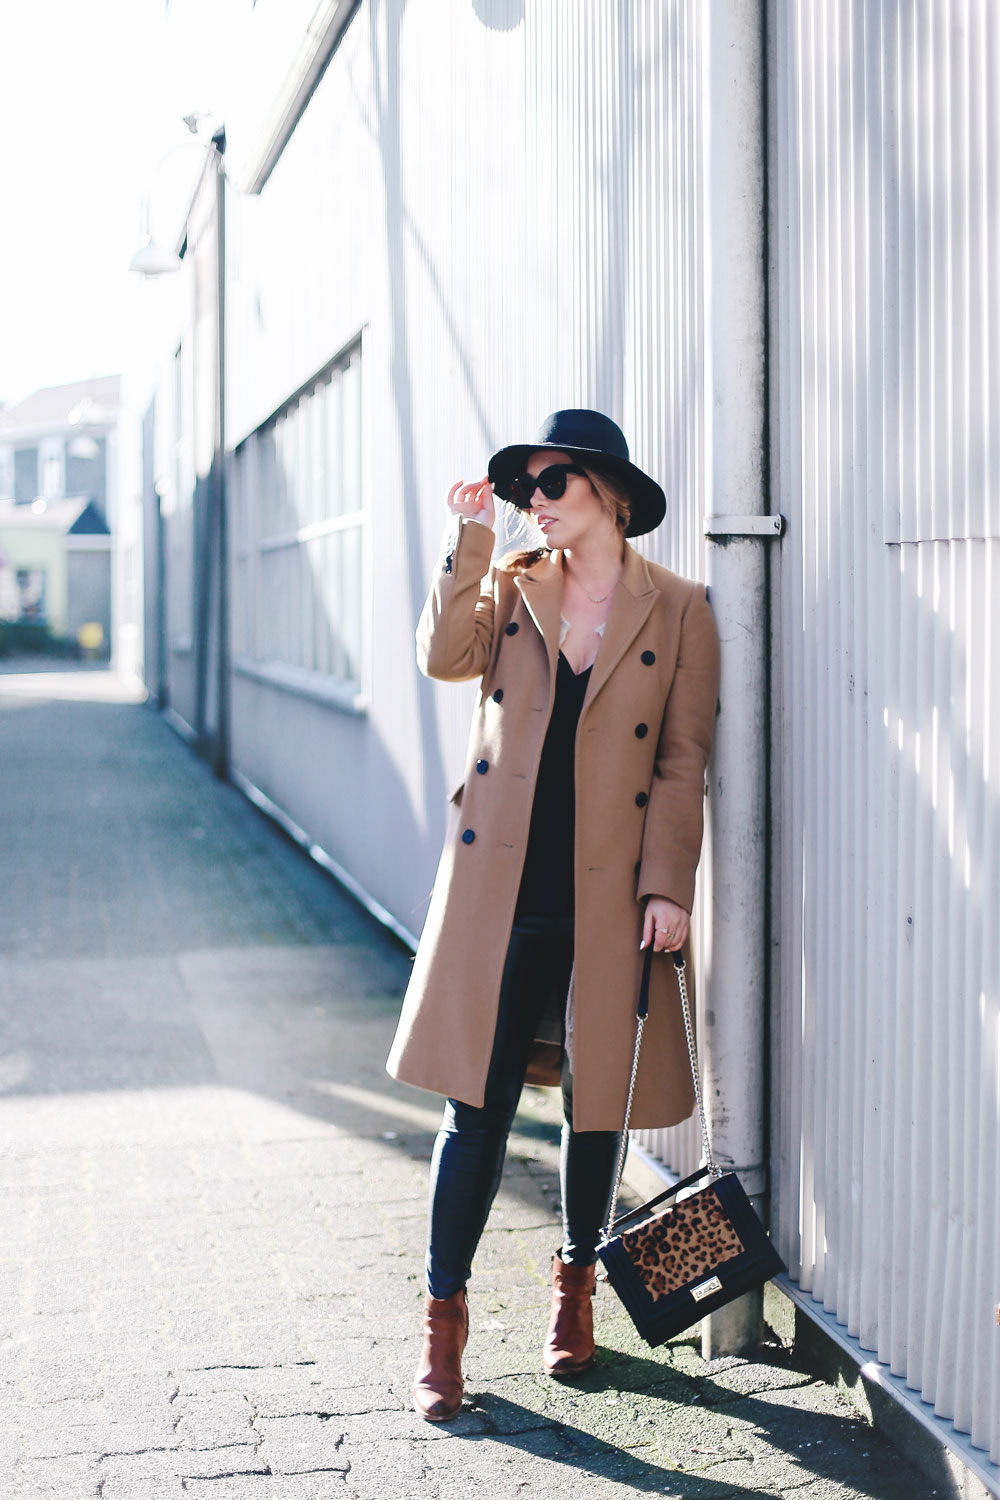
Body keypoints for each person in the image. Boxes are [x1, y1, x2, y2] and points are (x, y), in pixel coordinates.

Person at [386, 409, 720, 1421]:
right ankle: (442, 1325)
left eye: (555, 480)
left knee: (595, 1105)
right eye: (528, 480)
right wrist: (470, 542)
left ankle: (575, 1295)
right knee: (473, 1106)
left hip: (610, 890)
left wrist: (667, 884)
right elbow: (444, 659)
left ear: (608, 492)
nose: (538, 496)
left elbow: (679, 762)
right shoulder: (510, 582)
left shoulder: (681, 610)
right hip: (502, 888)